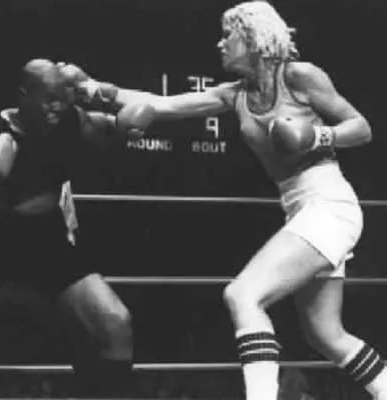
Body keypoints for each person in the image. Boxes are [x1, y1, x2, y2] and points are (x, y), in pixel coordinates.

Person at [61, 2, 387, 400]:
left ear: (254, 37)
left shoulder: (299, 76)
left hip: (330, 205)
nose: (219, 44)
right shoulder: (235, 96)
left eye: (227, 35)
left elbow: (361, 127)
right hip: (301, 209)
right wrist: (94, 88)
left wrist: (318, 137)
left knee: (243, 294)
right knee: (325, 334)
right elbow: (163, 104)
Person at [0, 58, 152, 398]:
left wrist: (126, 124)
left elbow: (115, 127)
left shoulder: (71, 121)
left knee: (115, 322)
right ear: (24, 96)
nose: (56, 106)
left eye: (60, 98)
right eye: (48, 98)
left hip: (46, 239)